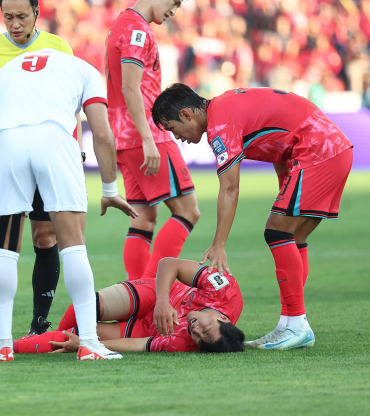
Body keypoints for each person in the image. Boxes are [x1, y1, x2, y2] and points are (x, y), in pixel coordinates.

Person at [151, 84, 353, 350]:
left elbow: (230, 188)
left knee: (277, 231)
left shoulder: (220, 127)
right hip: (331, 149)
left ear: (187, 115)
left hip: (319, 151)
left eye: (173, 129)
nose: (178, 137)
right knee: (292, 235)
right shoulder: (225, 107)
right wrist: (285, 187)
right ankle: (290, 322)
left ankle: (296, 323)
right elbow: (279, 143)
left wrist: (219, 244)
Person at [0, 49, 138, 361]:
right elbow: (102, 135)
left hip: (7, 144)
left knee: (4, 250)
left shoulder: (7, 70)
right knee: (73, 246)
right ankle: (90, 344)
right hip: (54, 139)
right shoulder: (85, 69)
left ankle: (2, 346)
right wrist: (109, 188)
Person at [0, 0, 77, 339]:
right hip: (2, 156)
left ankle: (38, 324)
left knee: (45, 236)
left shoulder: (59, 48)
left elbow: (70, 105)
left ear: (36, 13)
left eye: (21, 16)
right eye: (8, 17)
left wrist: (72, 149)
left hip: (46, 154)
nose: (14, 24)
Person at [105, 0, 199, 282]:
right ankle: (150, 288)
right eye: (173, 2)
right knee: (188, 211)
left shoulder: (120, 23)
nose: (172, 12)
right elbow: (131, 88)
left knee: (143, 218)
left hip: (121, 134)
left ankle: (134, 291)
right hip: (146, 133)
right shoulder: (137, 30)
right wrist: (148, 138)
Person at [0, 257, 245, 355]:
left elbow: (138, 345)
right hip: (158, 293)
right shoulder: (225, 291)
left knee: (70, 338)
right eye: (205, 327)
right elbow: (168, 264)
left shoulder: (185, 343)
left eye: (198, 337)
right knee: (86, 305)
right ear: (223, 320)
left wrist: (85, 342)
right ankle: (43, 338)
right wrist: (161, 302)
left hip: (145, 327)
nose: (195, 329)